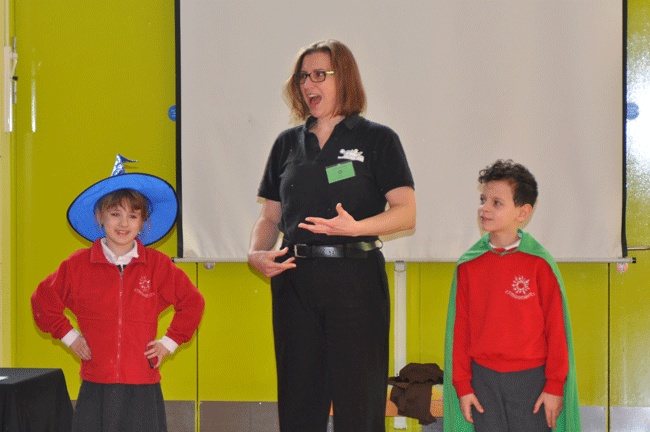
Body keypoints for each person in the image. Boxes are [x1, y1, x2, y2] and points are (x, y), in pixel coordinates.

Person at [247, 39, 416, 432]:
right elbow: (270, 217)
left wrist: (355, 228)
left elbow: (406, 212)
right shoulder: (287, 143)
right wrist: (256, 252)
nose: (309, 84)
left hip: (355, 280)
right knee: (299, 403)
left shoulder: (377, 139)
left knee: (359, 404)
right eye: (303, 77)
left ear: (345, 78)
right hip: (295, 282)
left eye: (319, 74)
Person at [31, 155, 205, 432]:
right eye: (115, 214)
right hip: (96, 383)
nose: (123, 223)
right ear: (100, 216)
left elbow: (193, 302)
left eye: (133, 216)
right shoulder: (77, 265)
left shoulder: (158, 265)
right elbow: (42, 301)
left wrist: (169, 342)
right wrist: (70, 337)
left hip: (142, 384)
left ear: (143, 222)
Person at [442, 159, 581, 432]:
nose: (484, 208)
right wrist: (463, 386)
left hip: (532, 382)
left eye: (497, 203)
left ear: (523, 212)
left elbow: (556, 330)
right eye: (483, 200)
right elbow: (460, 331)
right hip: (483, 382)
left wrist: (554, 386)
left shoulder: (539, 264)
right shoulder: (469, 265)